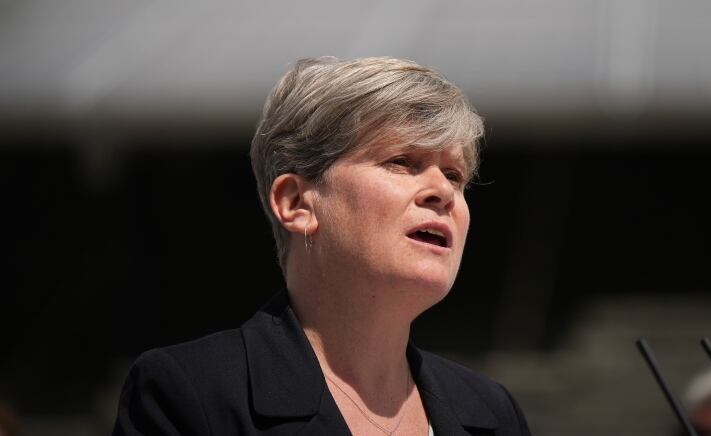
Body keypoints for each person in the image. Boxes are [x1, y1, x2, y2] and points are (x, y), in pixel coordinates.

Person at [113, 56, 533, 436]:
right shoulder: (190, 393)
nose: (443, 191)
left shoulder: (493, 414)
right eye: (402, 162)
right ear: (296, 204)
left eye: (455, 175)